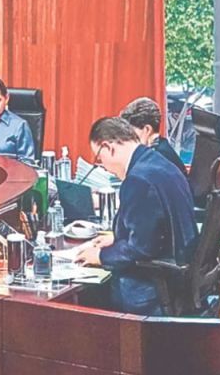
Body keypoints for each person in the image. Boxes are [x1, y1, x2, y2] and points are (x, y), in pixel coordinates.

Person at [75, 117, 199, 315]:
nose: (103, 166)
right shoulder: (160, 163)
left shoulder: (138, 180)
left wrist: (100, 255)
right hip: (180, 273)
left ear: (108, 147)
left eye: (99, 159)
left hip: (152, 289)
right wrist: (116, 237)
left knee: (82, 301)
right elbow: (156, 227)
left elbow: (141, 248)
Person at [120, 97, 187, 176]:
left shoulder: (158, 157)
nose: (129, 137)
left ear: (147, 129)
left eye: (132, 132)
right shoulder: (161, 146)